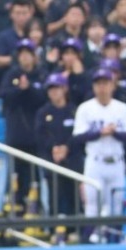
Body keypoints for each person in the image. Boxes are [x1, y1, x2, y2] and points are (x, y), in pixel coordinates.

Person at [73, 65, 126, 230]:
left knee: (116, 207)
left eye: (105, 83)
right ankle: (90, 243)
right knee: (92, 207)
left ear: (112, 85)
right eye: (98, 83)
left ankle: (113, 243)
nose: (102, 87)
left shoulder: (122, 108)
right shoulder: (85, 108)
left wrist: (115, 133)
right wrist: (100, 132)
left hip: (116, 162)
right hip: (95, 162)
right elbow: (78, 137)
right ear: (93, 86)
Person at [0, 38, 47, 205]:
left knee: (35, 176)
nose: (25, 57)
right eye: (22, 54)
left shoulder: (41, 75)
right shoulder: (11, 75)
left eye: (29, 54)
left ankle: (35, 207)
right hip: (17, 135)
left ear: (35, 56)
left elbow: (44, 98)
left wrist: (29, 89)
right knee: (17, 175)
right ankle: (16, 206)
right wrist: (20, 90)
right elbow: (5, 97)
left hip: (36, 135)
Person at [34, 73, 82, 217]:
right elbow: (40, 134)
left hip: (73, 161)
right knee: (54, 197)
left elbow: (79, 133)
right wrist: (53, 147)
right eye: (51, 88)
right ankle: (56, 230)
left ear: (65, 89)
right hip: (51, 161)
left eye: (57, 87)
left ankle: (75, 230)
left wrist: (67, 148)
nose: (54, 91)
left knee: (75, 198)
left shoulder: (74, 111)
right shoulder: (43, 113)